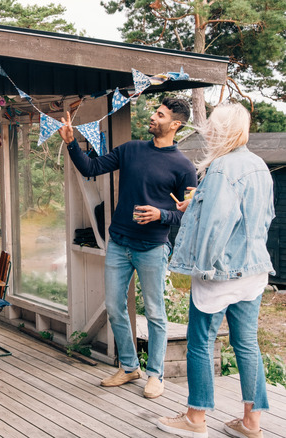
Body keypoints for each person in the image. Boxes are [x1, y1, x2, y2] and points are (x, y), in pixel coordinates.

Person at [58, 97, 197, 399]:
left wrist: (162, 214)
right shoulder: (131, 150)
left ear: (175, 124)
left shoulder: (184, 167)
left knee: (156, 314)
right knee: (114, 307)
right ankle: (129, 366)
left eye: (159, 115)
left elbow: (190, 212)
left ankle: (155, 375)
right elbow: (90, 167)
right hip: (119, 243)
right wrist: (71, 143)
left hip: (152, 248)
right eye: (155, 111)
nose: (153, 116)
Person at [157, 103, 273, 438]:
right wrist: (196, 203)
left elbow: (216, 226)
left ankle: (195, 418)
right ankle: (252, 422)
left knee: (200, 341)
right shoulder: (258, 166)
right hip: (253, 270)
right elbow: (262, 217)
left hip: (220, 273)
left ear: (220, 131)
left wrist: (201, 268)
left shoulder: (222, 168)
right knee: (247, 342)